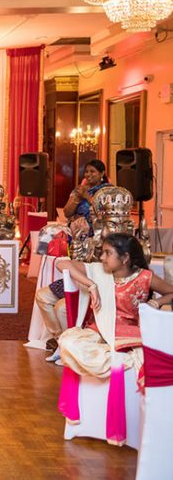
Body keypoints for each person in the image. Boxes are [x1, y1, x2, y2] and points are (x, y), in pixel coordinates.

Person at [58, 233, 173, 379]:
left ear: (125, 258)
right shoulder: (98, 271)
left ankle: (120, 363)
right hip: (98, 331)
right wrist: (91, 285)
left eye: (108, 253)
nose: (102, 258)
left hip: (128, 334)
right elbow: (61, 263)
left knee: (156, 354)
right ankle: (124, 363)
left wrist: (156, 302)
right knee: (68, 343)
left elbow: (171, 292)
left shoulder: (144, 277)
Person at [36, 159, 112, 362]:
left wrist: (86, 195)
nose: (89, 175)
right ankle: (60, 340)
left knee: (64, 303)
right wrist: (77, 197)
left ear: (102, 173)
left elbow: (100, 212)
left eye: (93, 172)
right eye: (86, 171)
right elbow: (68, 212)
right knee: (44, 296)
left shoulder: (108, 192)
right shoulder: (78, 190)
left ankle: (69, 343)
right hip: (77, 239)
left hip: (96, 240)